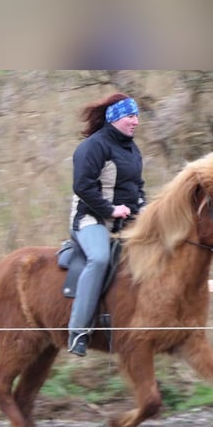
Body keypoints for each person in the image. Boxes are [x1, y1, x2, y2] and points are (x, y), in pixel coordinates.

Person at [67, 93, 146, 356]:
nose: (136, 121)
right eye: (130, 116)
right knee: (100, 258)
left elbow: (138, 188)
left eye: (136, 116)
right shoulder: (93, 147)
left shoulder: (133, 149)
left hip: (126, 221)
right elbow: (82, 187)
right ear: (114, 118)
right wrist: (111, 210)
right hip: (91, 219)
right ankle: (78, 331)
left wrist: (143, 210)